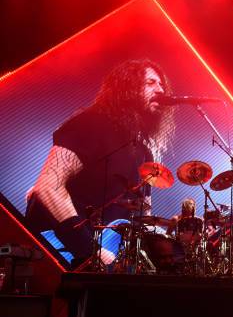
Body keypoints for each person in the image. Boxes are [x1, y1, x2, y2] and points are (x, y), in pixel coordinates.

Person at [25, 59, 175, 266]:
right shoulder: (90, 123)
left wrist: (175, 230)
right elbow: (48, 187)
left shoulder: (143, 152)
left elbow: (143, 217)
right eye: (150, 83)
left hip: (104, 253)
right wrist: (90, 251)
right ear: (126, 88)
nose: (160, 90)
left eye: (161, 84)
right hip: (63, 252)